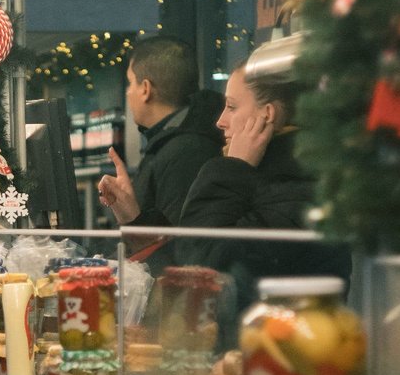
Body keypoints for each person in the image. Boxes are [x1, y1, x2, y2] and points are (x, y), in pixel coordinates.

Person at [105, 57, 351, 310]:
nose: (220, 121)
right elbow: (193, 253)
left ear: (267, 115)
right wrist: (137, 220)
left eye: (231, 107)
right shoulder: (271, 176)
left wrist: (232, 167)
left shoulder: (295, 187)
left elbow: (199, 268)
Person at [97, 36, 224, 226]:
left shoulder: (185, 153)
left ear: (146, 89)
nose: (128, 92)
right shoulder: (170, 144)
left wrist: (132, 219)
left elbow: (174, 249)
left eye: (131, 82)